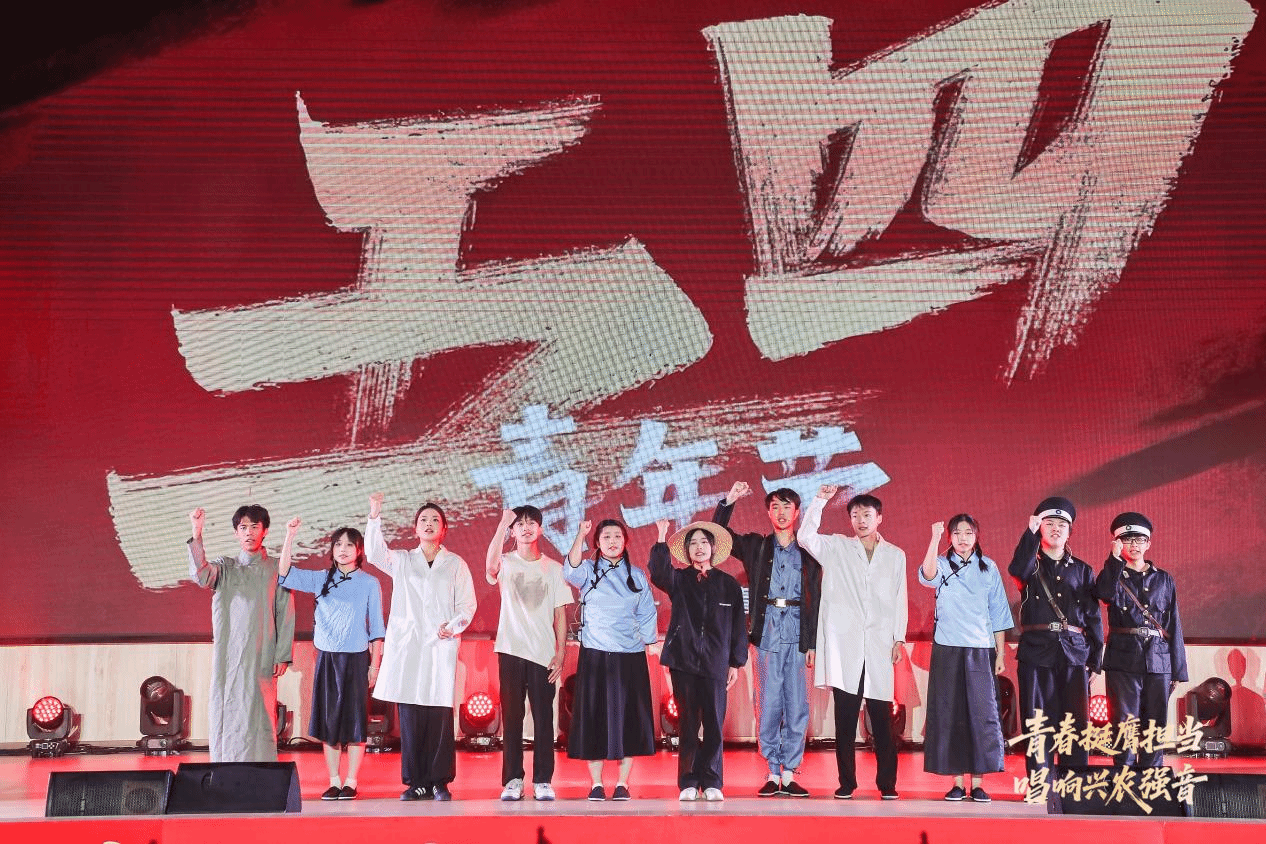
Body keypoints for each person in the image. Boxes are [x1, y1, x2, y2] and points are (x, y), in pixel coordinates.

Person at [797, 485, 907, 800]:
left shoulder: (895, 555)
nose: (861, 520)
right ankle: (847, 782)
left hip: (879, 645)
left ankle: (887, 783)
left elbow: (900, 597)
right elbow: (805, 537)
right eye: (855, 515)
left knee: (882, 720)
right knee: (844, 720)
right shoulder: (837, 547)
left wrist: (899, 637)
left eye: (867, 515)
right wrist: (819, 501)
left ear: (879, 518)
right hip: (845, 647)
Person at [712, 481, 821, 797]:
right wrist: (729, 500)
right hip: (767, 634)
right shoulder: (756, 546)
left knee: (797, 704)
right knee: (768, 703)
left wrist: (813, 642)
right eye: (775, 507)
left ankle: (790, 772)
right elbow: (719, 537)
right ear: (768, 513)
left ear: (797, 512)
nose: (782, 512)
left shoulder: (810, 549)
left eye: (787, 506)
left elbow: (818, 597)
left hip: (798, 635)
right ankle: (773, 770)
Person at [365, 493, 476, 801]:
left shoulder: (455, 564)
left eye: (435, 520)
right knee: (411, 716)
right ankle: (416, 782)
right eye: (423, 520)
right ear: (415, 528)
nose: (429, 524)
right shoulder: (402, 560)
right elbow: (374, 553)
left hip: (441, 646)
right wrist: (374, 515)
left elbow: (467, 605)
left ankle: (439, 781)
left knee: (439, 715)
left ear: (444, 529)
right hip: (409, 647)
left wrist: (453, 625)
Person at [277, 518, 385, 799]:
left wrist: (375, 666)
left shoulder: (370, 583)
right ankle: (334, 780)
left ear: (359, 551)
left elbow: (377, 628)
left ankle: (352, 781)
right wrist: (289, 536)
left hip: (357, 660)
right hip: (327, 659)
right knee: (329, 723)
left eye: (349, 545)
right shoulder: (321, 578)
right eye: (338, 544)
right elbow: (284, 573)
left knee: (355, 723)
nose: (343, 549)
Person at [186, 504, 295, 763]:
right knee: (227, 706)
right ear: (236, 533)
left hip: (262, 651)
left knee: (260, 711)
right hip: (229, 655)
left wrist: (282, 654)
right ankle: (225, 765)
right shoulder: (226, 567)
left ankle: (261, 769)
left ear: (265, 531)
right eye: (243, 527)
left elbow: (286, 612)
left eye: (255, 527)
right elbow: (201, 575)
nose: (249, 533)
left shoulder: (276, 568)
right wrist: (197, 532)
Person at [649, 518, 748, 802]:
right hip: (684, 661)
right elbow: (658, 572)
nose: (699, 547)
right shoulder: (679, 580)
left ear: (713, 548)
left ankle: (713, 780)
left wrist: (736, 662)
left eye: (704, 542)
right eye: (693, 543)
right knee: (688, 724)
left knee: (715, 723)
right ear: (687, 551)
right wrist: (661, 536)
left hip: (717, 663)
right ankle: (689, 782)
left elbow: (738, 626)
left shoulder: (728, 584)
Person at [918, 516, 1012, 803]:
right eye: (956, 533)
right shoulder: (941, 563)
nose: (962, 538)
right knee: (951, 715)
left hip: (980, 650)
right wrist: (933, 539)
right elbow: (928, 576)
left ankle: (979, 783)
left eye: (968, 532)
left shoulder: (989, 567)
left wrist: (1000, 653)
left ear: (976, 536)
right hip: (947, 648)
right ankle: (957, 783)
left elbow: (998, 613)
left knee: (981, 716)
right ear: (949, 537)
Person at [1008, 496, 1103, 779]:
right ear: (1040, 528)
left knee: (1075, 723)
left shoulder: (1082, 570)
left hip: (1073, 653)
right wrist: (1029, 534)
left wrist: (1095, 660)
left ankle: (1073, 783)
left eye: (1062, 525)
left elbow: (1093, 617)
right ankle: (1040, 782)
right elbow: (1017, 569)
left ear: (1069, 531)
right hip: (1036, 652)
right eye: (1049, 523)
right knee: (1037, 720)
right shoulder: (1030, 566)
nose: (1055, 529)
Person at [564, 518, 658, 800]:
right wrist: (579, 534)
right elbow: (570, 570)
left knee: (627, 720)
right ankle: (596, 783)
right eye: (606, 537)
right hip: (595, 656)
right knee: (594, 718)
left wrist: (648, 642)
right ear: (597, 543)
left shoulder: (637, 576)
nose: (613, 541)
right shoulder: (588, 570)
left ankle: (622, 783)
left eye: (618, 536)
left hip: (629, 657)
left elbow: (647, 614)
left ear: (626, 541)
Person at [485, 506, 572, 801]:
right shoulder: (506, 562)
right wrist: (502, 524)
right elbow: (490, 566)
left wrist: (561, 653)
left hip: (543, 654)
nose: (525, 528)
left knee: (544, 719)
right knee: (512, 718)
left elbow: (560, 614)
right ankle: (513, 779)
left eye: (531, 523)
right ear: (513, 531)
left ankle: (543, 780)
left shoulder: (554, 568)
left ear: (541, 529)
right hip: (510, 650)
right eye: (519, 524)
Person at [1096, 512, 1187, 767]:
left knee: (1155, 725)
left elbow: (1173, 623)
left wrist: (1177, 669)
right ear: (1117, 543)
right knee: (1123, 724)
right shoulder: (1113, 575)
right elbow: (1103, 593)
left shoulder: (1164, 579)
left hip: (1158, 660)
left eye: (1139, 540)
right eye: (1127, 540)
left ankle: (1151, 776)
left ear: (1148, 544)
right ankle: (1123, 777)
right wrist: (1113, 560)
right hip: (1123, 660)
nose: (1133, 545)